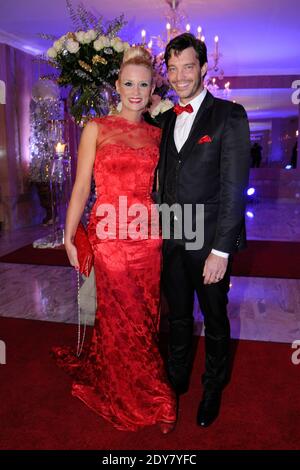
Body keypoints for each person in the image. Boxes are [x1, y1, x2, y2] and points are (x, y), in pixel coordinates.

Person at [55, 46, 177, 434]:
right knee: (122, 317)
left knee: (145, 315)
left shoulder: (158, 135)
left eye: (144, 84)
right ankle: (148, 393)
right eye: (129, 83)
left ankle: (143, 386)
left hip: (148, 236)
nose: (136, 91)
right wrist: (69, 234)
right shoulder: (97, 127)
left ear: (153, 86)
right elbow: (80, 187)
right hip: (109, 236)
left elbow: (164, 189)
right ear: (117, 85)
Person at [155, 33, 251, 427]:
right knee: (176, 317)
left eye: (188, 67)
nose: (179, 77)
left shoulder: (229, 115)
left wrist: (222, 251)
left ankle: (212, 387)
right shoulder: (163, 118)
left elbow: (233, 190)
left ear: (204, 68)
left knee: (214, 320)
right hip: (171, 239)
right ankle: (176, 380)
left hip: (208, 240)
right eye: (173, 68)